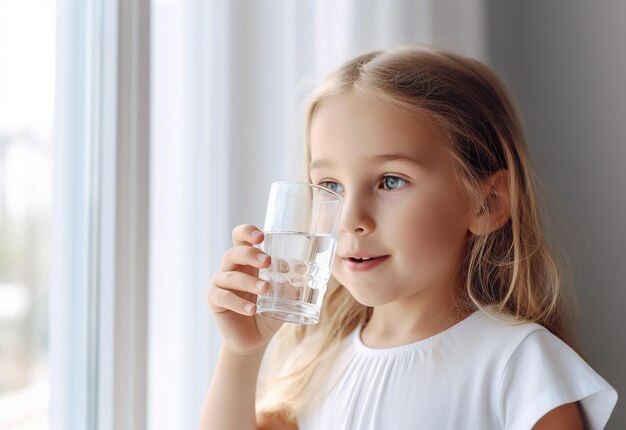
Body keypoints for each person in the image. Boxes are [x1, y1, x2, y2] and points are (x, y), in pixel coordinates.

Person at [200, 46, 618, 430]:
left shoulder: (520, 366)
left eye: (391, 181)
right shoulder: (316, 364)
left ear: (486, 204)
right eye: (331, 187)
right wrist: (241, 353)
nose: (351, 219)